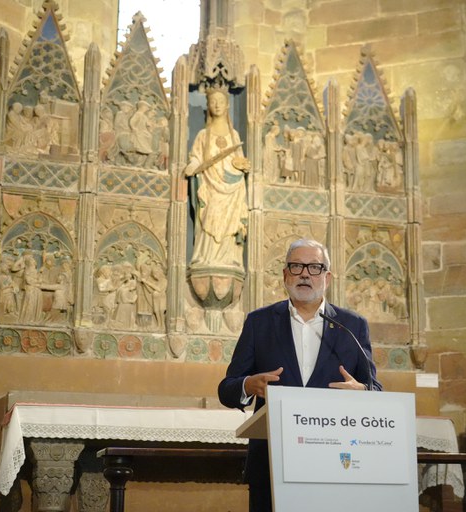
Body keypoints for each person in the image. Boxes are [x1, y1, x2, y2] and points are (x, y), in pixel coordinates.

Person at [217, 238, 381, 512]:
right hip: (271, 464)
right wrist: (248, 385)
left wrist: (362, 393)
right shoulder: (259, 323)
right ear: (285, 274)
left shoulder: (352, 326)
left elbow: (376, 390)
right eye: (296, 266)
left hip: (335, 464)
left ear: (327, 277)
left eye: (314, 267)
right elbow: (227, 389)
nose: (305, 273)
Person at [184, 88, 250, 269]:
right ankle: (206, 258)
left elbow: (239, 159)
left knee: (231, 222)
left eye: (221, 101)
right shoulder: (203, 135)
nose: (217, 105)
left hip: (233, 186)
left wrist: (242, 165)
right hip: (210, 185)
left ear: (228, 104)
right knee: (210, 216)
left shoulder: (234, 135)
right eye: (213, 101)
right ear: (208, 105)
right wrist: (192, 165)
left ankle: (230, 259)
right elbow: (196, 157)